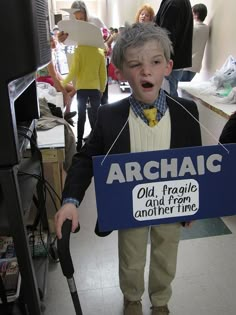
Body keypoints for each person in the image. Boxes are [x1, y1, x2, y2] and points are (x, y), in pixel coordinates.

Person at [54, 23, 201, 315]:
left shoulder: (187, 112)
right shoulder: (108, 116)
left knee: (166, 254)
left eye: (155, 62)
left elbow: (194, 159)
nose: (146, 71)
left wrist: (193, 204)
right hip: (129, 206)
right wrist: (71, 200)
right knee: (131, 255)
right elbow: (85, 158)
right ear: (119, 73)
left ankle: (160, 300)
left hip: (170, 203)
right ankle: (132, 298)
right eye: (135, 64)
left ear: (168, 67)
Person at [61, 43, 107, 151]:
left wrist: (63, 83)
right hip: (95, 90)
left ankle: (79, 142)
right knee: (95, 117)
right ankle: (95, 142)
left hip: (82, 89)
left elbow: (74, 71)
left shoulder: (79, 51)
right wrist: (102, 89)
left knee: (81, 117)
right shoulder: (100, 53)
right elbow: (103, 74)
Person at [155, 0, 193, 96]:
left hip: (169, 61)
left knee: (167, 97)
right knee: (169, 94)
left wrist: (158, 61)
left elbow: (166, 37)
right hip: (174, 60)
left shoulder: (173, 4)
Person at [37, 34, 76, 116]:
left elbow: (57, 72)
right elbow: (54, 76)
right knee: (74, 89)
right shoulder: (47, 56)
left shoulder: (51, 53)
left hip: (50, 77)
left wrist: (66, 81)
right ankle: (64, 110)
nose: (53, 42)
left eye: (53, 39)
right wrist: (65, 93)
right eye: (50, 41)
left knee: (73, 86)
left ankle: (66, 110)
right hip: (46, 80)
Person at [181, 3, 210, 82]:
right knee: (185, 87)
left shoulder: (192, 28)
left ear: (196, 15)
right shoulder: (206, 28)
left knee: (179, 88)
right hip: (196, 66)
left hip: (186, 65)